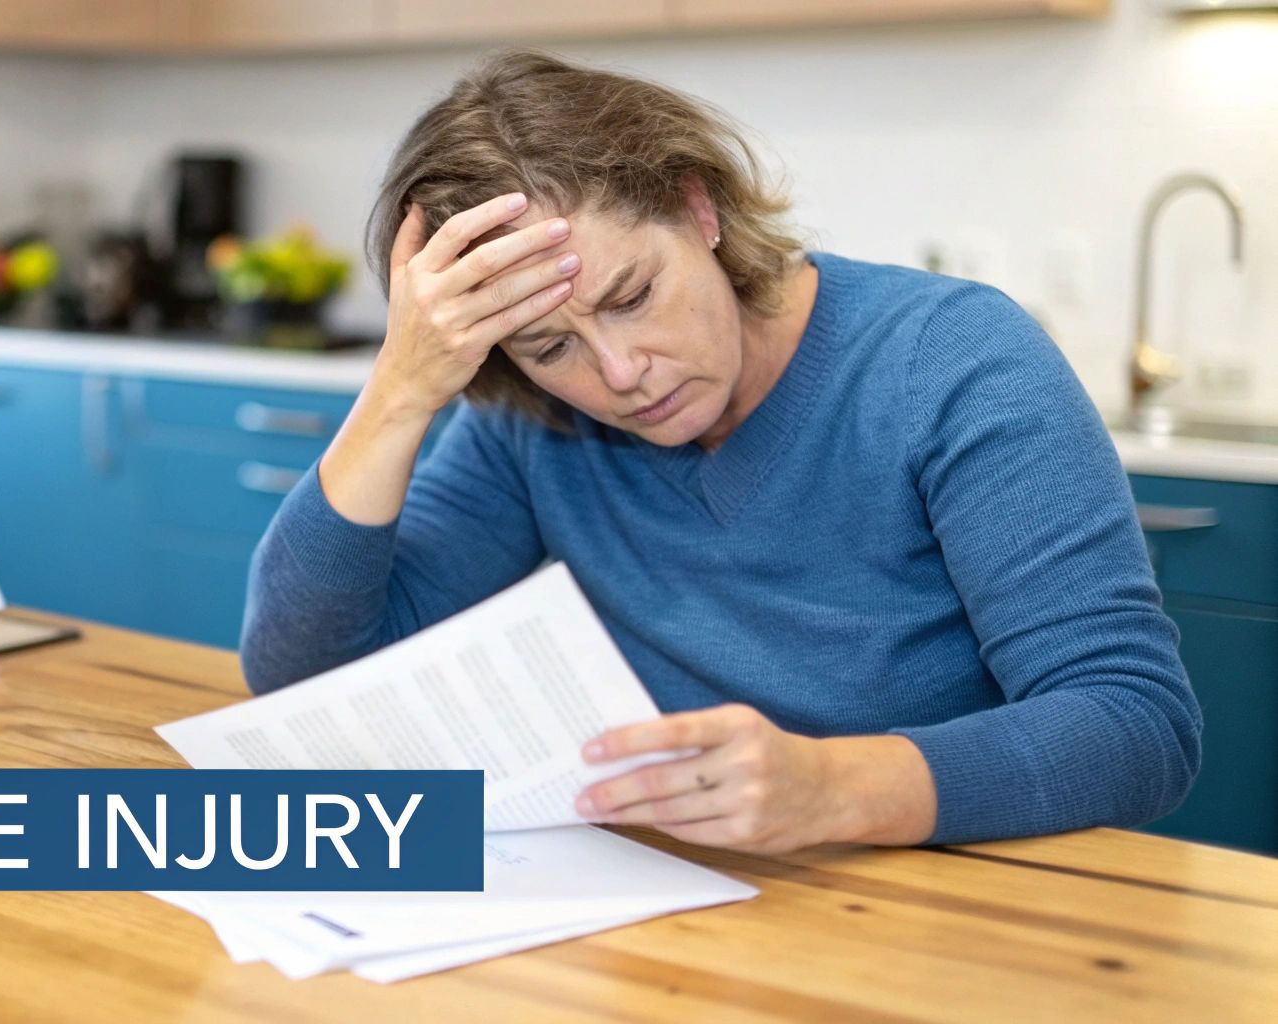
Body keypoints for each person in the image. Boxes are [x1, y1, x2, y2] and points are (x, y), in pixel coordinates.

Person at [238, 50, 1200, 855]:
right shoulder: (533, 419)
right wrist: (399, 391)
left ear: (698, 208)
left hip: (946, 905)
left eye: (631, 296)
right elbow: (306, 675)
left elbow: (1135, 724)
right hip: (675, 907)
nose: (619, 372)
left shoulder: (951, 361)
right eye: (549, 346)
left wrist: (832, 786)